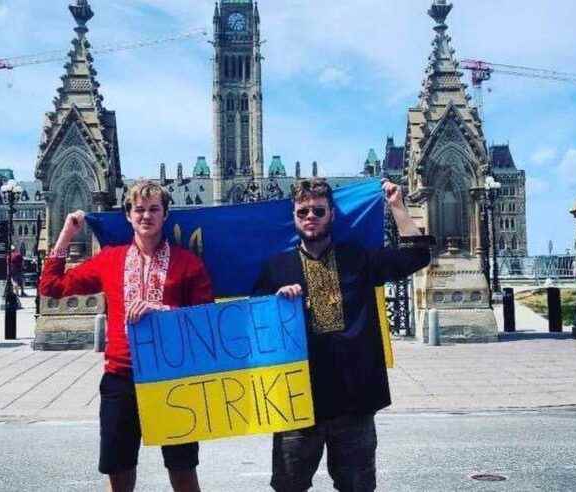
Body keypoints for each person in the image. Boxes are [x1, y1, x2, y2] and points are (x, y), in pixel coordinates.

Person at [253, 178, 433, 492]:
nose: (310, 217)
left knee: (358, 487)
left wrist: (397, 206)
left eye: (318, 211)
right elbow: (252, 323)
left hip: (354, 400)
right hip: (299, 401)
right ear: (294, 217)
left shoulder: (358, 259)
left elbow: (417, 256)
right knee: (288, 487)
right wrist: (274, 301)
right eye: (303, 211)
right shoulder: (276, 268)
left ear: (332, 215)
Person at [39, 181, 213, 492]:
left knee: (183, 471)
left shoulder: (188, 263)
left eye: (154, 209)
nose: (146, 216)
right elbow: (51, 287)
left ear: (166, 215)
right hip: (121, 377)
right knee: (118, 472)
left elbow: (206, 322)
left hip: (172, 378)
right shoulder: (111, 259)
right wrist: (67, 233)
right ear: (128, 215)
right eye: (139, 209)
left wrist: (161, 310)